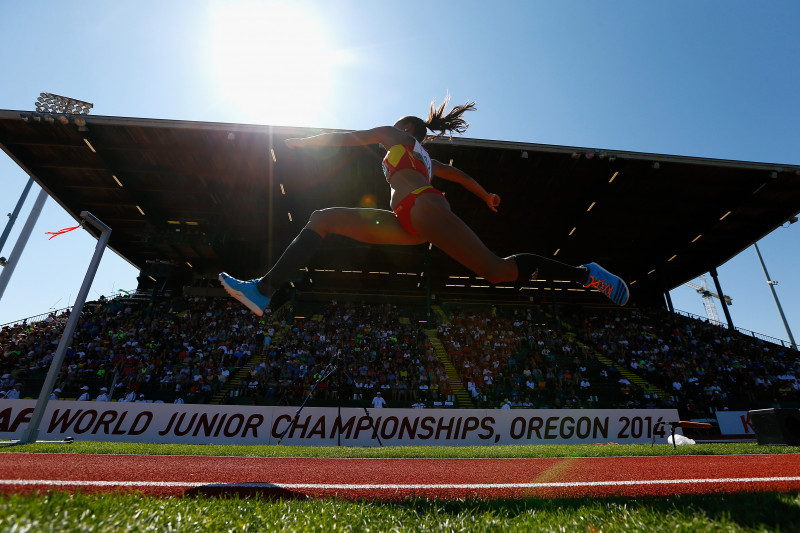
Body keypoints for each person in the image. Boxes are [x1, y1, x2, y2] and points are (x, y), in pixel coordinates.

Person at [220, 97, 629, 316]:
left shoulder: (395, 136)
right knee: (322, 219)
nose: (388, 130)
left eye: (396, 126)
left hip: (422, 207)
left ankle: (585, 273)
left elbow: (351, 137)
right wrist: (484, 195)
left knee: (496, 270)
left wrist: (306, 141)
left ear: (406, 128)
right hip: (406, 219)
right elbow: (462, 176)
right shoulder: (427, 158)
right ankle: (263, 290)